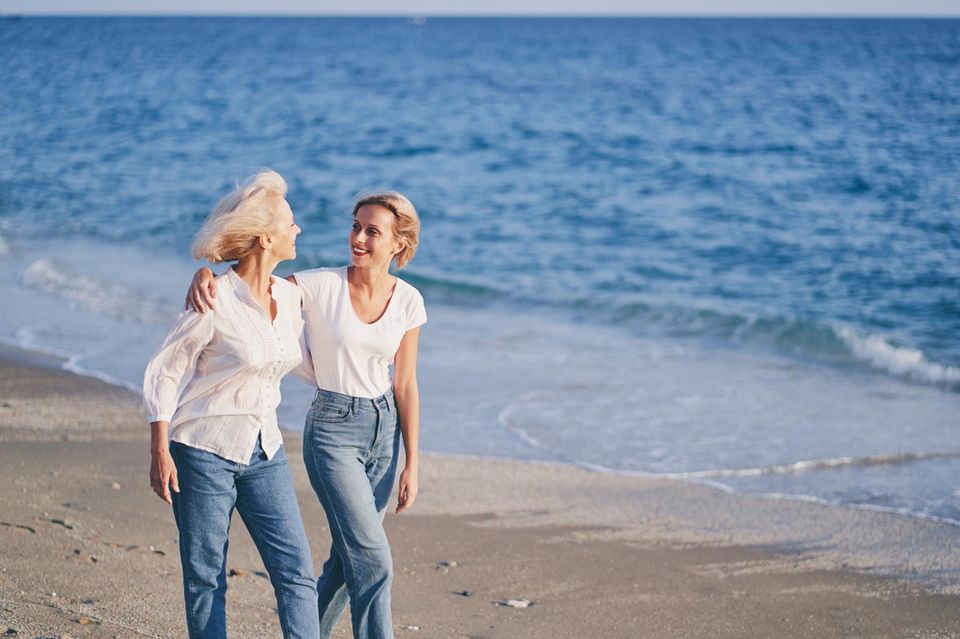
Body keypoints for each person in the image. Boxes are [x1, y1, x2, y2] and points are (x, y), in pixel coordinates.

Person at [187, 191, 425, 639]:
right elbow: (250, 281)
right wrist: (207, 273)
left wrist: (413, 460)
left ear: (398, 243)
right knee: (374, 559)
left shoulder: (409, 300)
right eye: (356, 226)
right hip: (332, 432)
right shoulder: (317, 285)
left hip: (384, 431)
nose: (358, 237)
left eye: (372, 231)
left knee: (348, 555)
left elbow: (406, 384)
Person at [144, 170, 319, 639]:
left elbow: (351, 293)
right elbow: (166, 368)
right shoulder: (213, 297)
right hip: (201, 450)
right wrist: (159, 447)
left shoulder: (292, 294)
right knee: (206, 579)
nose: (297, 230)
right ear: (266, 238)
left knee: (297, 574)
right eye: (290, 224)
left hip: (265, 451)